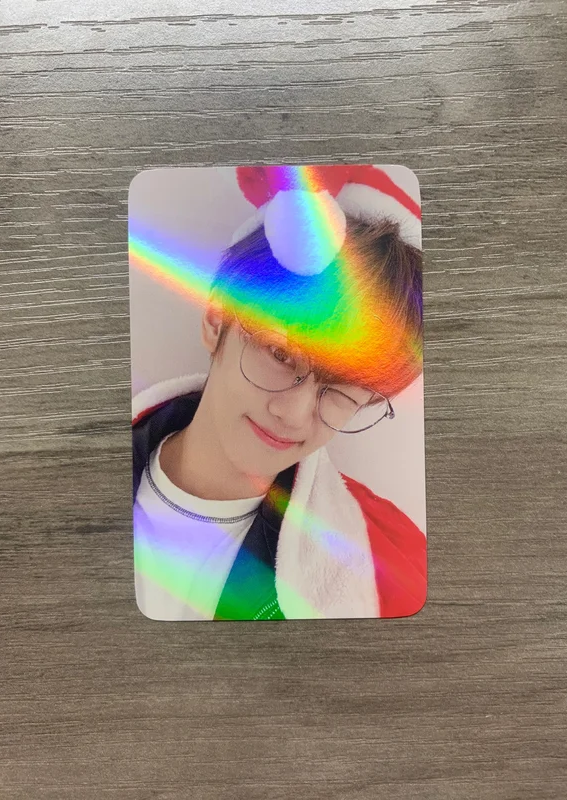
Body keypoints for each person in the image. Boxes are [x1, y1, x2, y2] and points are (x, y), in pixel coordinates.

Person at [132, 164, 426, 621]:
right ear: (216, 319)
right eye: (281, 354)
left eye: (343, 393)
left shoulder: (392, 569)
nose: (294, 413)